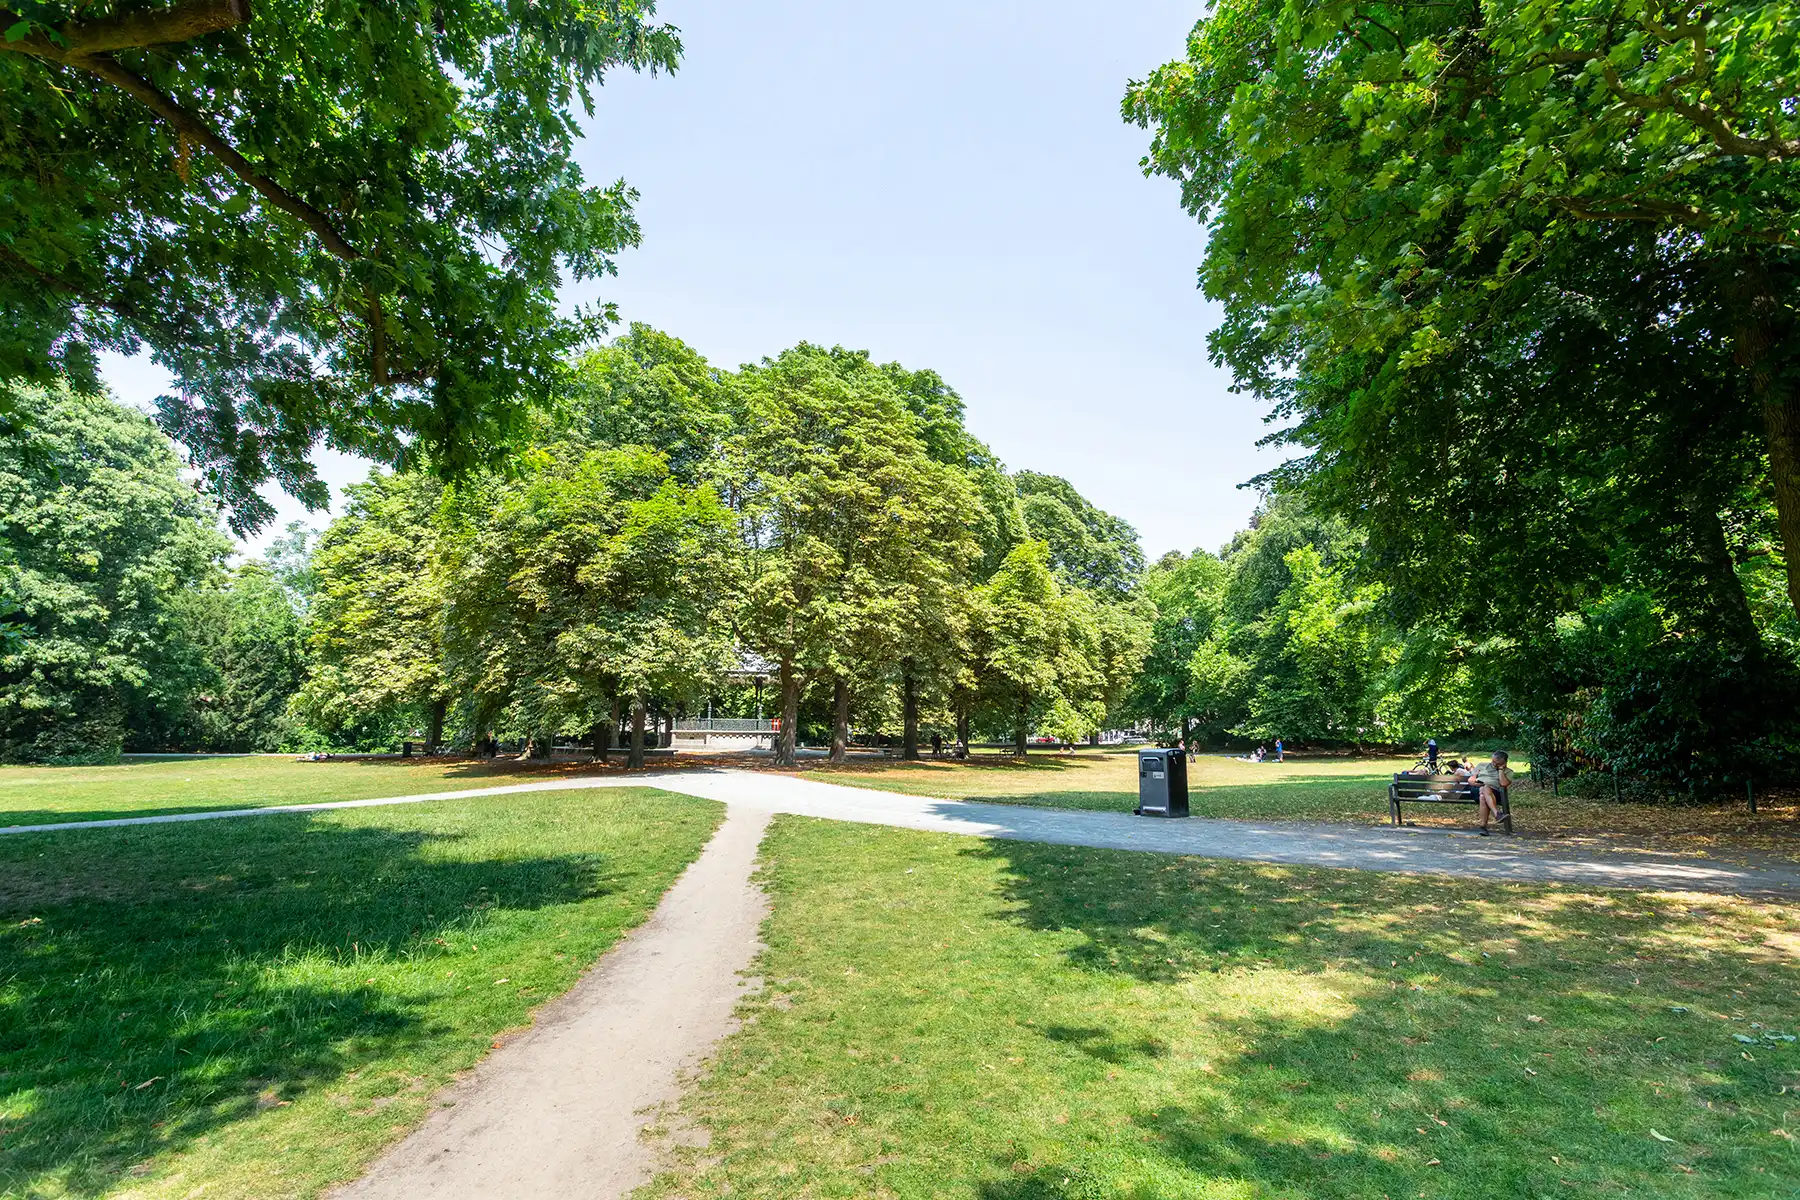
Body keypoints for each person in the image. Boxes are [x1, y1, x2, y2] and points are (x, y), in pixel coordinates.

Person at [1456, 751, 1513, 835]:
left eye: (1496, 763)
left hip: (1495, 794)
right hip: (1476, 790)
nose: (1493, 764)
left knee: (1483, 796)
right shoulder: (1482, 765)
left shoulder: (1508, 771)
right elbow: (1471, 780)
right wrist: (1478, 783)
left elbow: (1504, 784)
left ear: (1504, 763)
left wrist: (1501, 770)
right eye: (1492, 761)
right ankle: (1496, 814)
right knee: (1484, 788)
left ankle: (1483, 827)